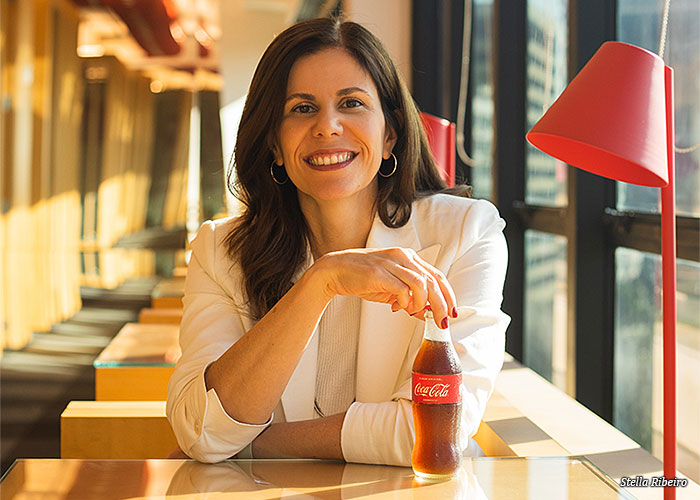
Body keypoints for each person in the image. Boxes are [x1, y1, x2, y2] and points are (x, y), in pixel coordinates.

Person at [166, 16, 509, 466]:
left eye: (351, 103)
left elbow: (431, 432)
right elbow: (201, 429)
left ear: (390, 134)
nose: (327, 126)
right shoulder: (219, 251)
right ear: (273, 144)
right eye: (302, 108)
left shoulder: (467, 233)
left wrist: (253, 446)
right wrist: (320, 284)